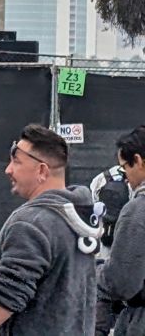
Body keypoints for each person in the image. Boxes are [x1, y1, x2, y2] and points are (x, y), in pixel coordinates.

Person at [0, 124, 101, 336]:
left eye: (16, 161)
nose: (8, 169)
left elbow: (8, 296)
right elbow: (53, 293)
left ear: (42, 170)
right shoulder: (79, 217)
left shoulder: (31, 223)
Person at [95, 125, 145, 336]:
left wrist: (94, 274)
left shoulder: (137, 210)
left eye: (125, 167)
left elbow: (121, 281)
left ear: (139, 161)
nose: (126, 177)